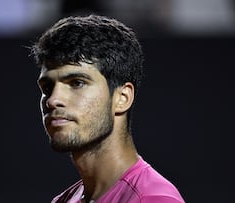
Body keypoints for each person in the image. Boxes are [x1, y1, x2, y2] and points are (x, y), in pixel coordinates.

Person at [30, 14, 185, 203]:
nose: (53, 100)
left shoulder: (153, 199)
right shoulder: (64, 200)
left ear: (122, 98)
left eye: (77, 83)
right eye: (47, 88)